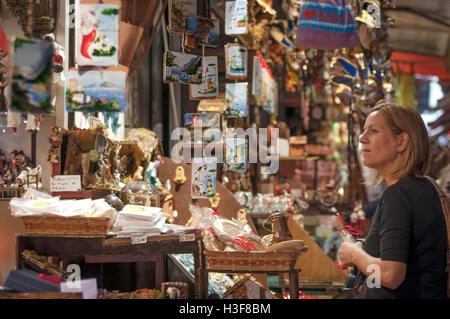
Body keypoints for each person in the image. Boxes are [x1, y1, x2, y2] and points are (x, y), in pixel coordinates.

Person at [338, 100, 447, 299]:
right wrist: (364, 248)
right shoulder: (426, 187)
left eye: (373, 131)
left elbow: (391, 275)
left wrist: (354, 255)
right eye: (364, 131)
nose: (362, 139)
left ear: (401, 142)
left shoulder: (398, 194)